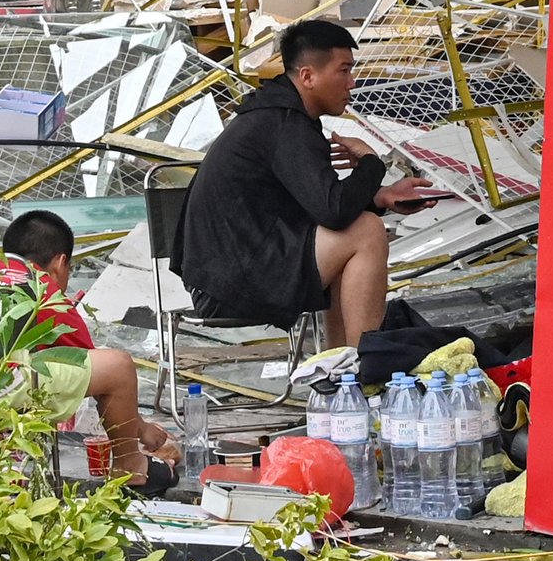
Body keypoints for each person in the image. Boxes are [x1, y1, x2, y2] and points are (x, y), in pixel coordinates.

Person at [177, 18, 438, 346]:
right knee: (366, 232)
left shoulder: (278, 114)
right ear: (308, 76)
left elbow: (318, 207)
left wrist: (380, 197)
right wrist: (371, 164)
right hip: (231, 285)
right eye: (343, 71)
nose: (352, 83)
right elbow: (334, 213)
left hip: (227, 275)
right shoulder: (286, 124)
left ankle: (343, 367)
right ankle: (368, 362)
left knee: (358, 231)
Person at [0, 209, 176, 489]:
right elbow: (90, 365)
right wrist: (142, 429)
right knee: (119, 367)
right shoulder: (38, 285)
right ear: (60, 262)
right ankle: (132, 468)